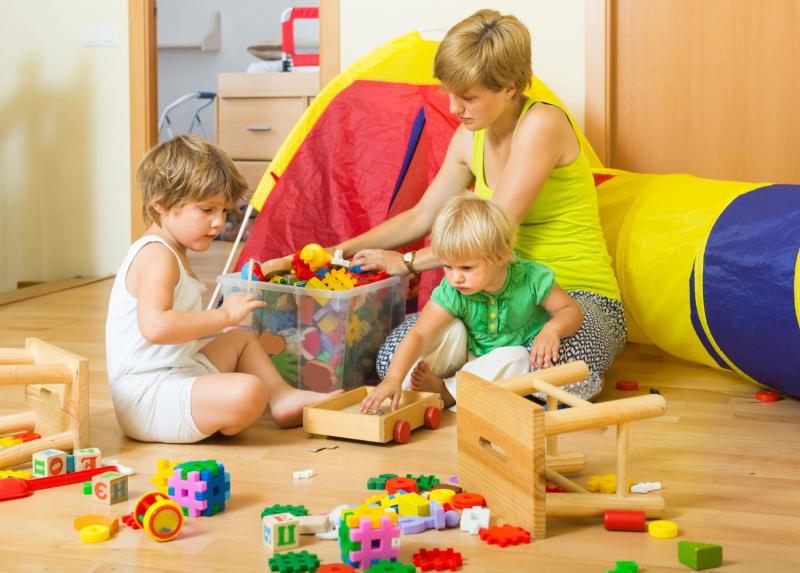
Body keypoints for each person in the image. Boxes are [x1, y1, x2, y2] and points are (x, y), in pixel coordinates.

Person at [268, 9, 626, 400]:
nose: (455, 108)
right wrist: (335, 253)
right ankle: (486, 381)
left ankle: (476, 383)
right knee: (391, 360)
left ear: (509, 87)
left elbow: (493, 230)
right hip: (490, 300)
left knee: (558, 365)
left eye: (468, 97)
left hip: (572, 299)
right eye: (450, 93)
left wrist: (406, 263)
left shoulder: (542, 124)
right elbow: (421, 215)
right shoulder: (469, 136)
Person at [105, 135, 335, 444]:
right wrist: (223, 315)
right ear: (160, 202)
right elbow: (157, 327)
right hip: (148, 396)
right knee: (248, 390)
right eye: (206, 209)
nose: (218, 223)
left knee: (240, 340)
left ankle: (282, 398)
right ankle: (231, 407)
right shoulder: (158, 256)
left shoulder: (172, 251)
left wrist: (266, 271)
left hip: (176, 372)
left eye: (224, 211)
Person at [361, 194, 584, 413]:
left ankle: (447, 393)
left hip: (500, 364)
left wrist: (552, 329)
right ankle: (427, 388)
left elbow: (570, 310)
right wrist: (393, 378)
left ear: (500, 256)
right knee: (450, 329)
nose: (455, 278)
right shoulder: (454, 290)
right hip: (466, 356)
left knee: (518, 358)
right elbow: (420, 334)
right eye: (448, 266)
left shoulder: (531, 278)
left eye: (466, 268)